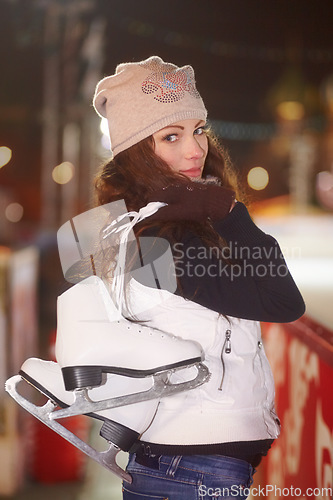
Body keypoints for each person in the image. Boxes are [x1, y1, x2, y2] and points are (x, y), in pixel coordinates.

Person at [93, 55, 305, 499]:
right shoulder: (156, 243)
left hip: (182, 461)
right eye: (171, 136)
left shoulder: (151, 226)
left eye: (198, 130)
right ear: (134, 153)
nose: (195, 150)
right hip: (192, 465)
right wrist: (230, 214)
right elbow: (283, 301)